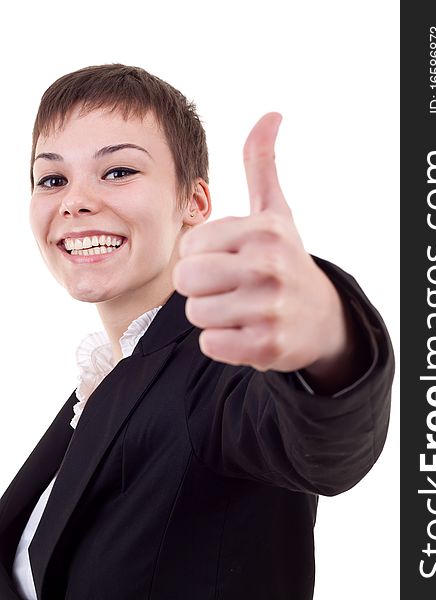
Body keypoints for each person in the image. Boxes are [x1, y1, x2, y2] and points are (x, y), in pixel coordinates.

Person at [0, 64, 394, 600]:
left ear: (195, 202)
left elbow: (322, 448)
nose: (74, 200)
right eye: (52, 179)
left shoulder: (223, 362)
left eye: (118, 171)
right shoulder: (101, 381)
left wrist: (327, 340)